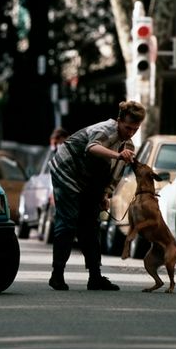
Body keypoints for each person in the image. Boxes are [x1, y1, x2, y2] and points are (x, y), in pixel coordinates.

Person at [48, 100, 146, 291]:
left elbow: (114, 175)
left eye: (135, 129)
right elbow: (92, 147)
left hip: (88, 181)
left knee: (91, 226)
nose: (130, 132)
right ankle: (57, 274)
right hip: (66, 171)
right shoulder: (106, 129)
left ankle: (95, 277)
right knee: (68, 223)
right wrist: (117, 155)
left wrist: (105, 195)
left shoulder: (128, 146)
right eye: (128, 127)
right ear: (119, 121)